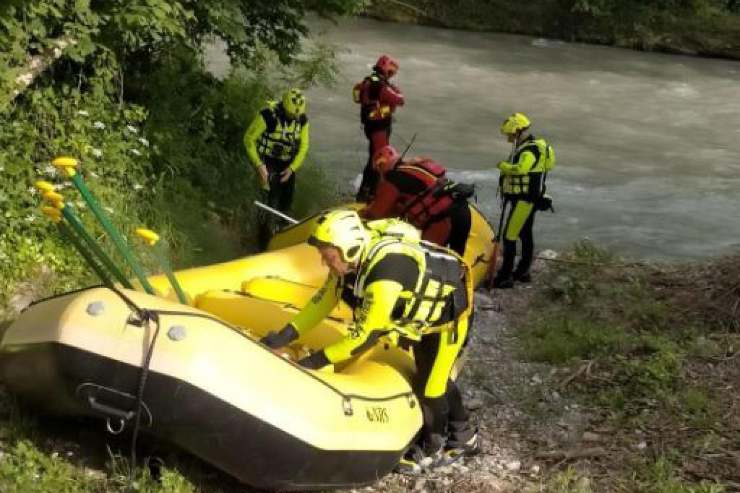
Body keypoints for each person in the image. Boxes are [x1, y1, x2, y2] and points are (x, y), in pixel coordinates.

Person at [260, 210, 479, 472]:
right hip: (419, 319)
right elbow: (320, 304)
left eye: (327, 256)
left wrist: (311, 363)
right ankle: (466, 434)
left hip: (446, 322)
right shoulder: (348, 262)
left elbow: (362, 337)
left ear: (347, 249)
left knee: (431, 387)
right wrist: (284, 336)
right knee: (432, 376)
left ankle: (435, 446)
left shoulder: (386, 276)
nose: (323, 263)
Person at [359, 145, 474, 258]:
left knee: (429, 260)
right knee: (457, 261)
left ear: (381, 166)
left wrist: (358, 214)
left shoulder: (393, 178)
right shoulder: (414, 170)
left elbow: (375, 214)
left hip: (441, 219)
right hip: (463, 211)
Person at [492, 113, 556, 289]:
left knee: (509, 236)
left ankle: (505, 276)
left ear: (518, 131)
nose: (508, 138)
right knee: (525, 233)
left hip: (525, 200)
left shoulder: (529, 150)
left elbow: (521, 169)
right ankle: (523, 272)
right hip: (529, 198)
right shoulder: (530, 146)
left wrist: (502, 166)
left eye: (510, 135)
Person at [244, 88, 309, 248]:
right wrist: (259, 166)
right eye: (292, 115)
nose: (295, 118)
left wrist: (293, 168)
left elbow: (304, 146)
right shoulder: (267, 116)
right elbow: (248, 139)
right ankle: (263, 242)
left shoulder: (302, 120)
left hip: (287, 164)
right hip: (268, 162)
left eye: (297, 115)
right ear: (284, 108)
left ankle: (282, 235)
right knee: (270, 203)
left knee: (287, 202)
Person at [353, 55, 405, 202]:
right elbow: (400, 100)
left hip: (371, 125)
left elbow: (359, 98)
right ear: (387, 70)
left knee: (374, 158)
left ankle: (366, 191)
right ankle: (370, 193)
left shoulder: (368, 80)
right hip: (379, 127)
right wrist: (396, 90)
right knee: (379, 160)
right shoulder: (380, 85)